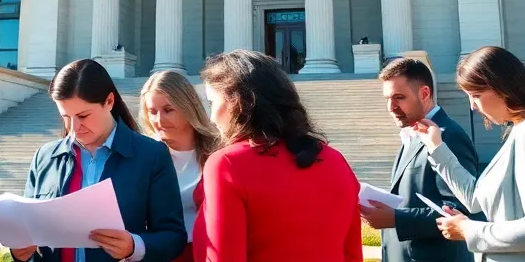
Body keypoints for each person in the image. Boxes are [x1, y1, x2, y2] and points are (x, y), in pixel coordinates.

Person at [413, 46, 525, 261]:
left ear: (503, 88)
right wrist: (437, 147)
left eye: (476, 95)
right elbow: (474, 199)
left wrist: (469, 230)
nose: (473, 106)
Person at [193, 49, 362, 262]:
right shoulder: (335, 160)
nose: (211, 118)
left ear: (236, 102)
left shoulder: (227, 164)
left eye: (212, 103)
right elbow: (352, 254)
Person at [12, 58, 186, 262]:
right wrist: (21, 253)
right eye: (66, 117)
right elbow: (28, 232)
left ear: (109, 101)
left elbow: (173, 237)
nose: (74, 128)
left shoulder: (151, 155)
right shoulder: (45, 157)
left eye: (83, 116)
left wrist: (134, 246)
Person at [364, 58, 479, 262]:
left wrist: (396, 218)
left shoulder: (449, 136)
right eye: (387, 98)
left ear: (424, 93)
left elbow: (461, 210)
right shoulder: (411, 134)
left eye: (399, 97)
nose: (391, 107)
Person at [138, 71, 220, 262]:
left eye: (168, 110)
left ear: (187, 107)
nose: (159, 120)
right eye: (152, 111)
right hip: (162, 255)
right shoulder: (144, 156)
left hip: (209, 252)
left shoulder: (219, 152)